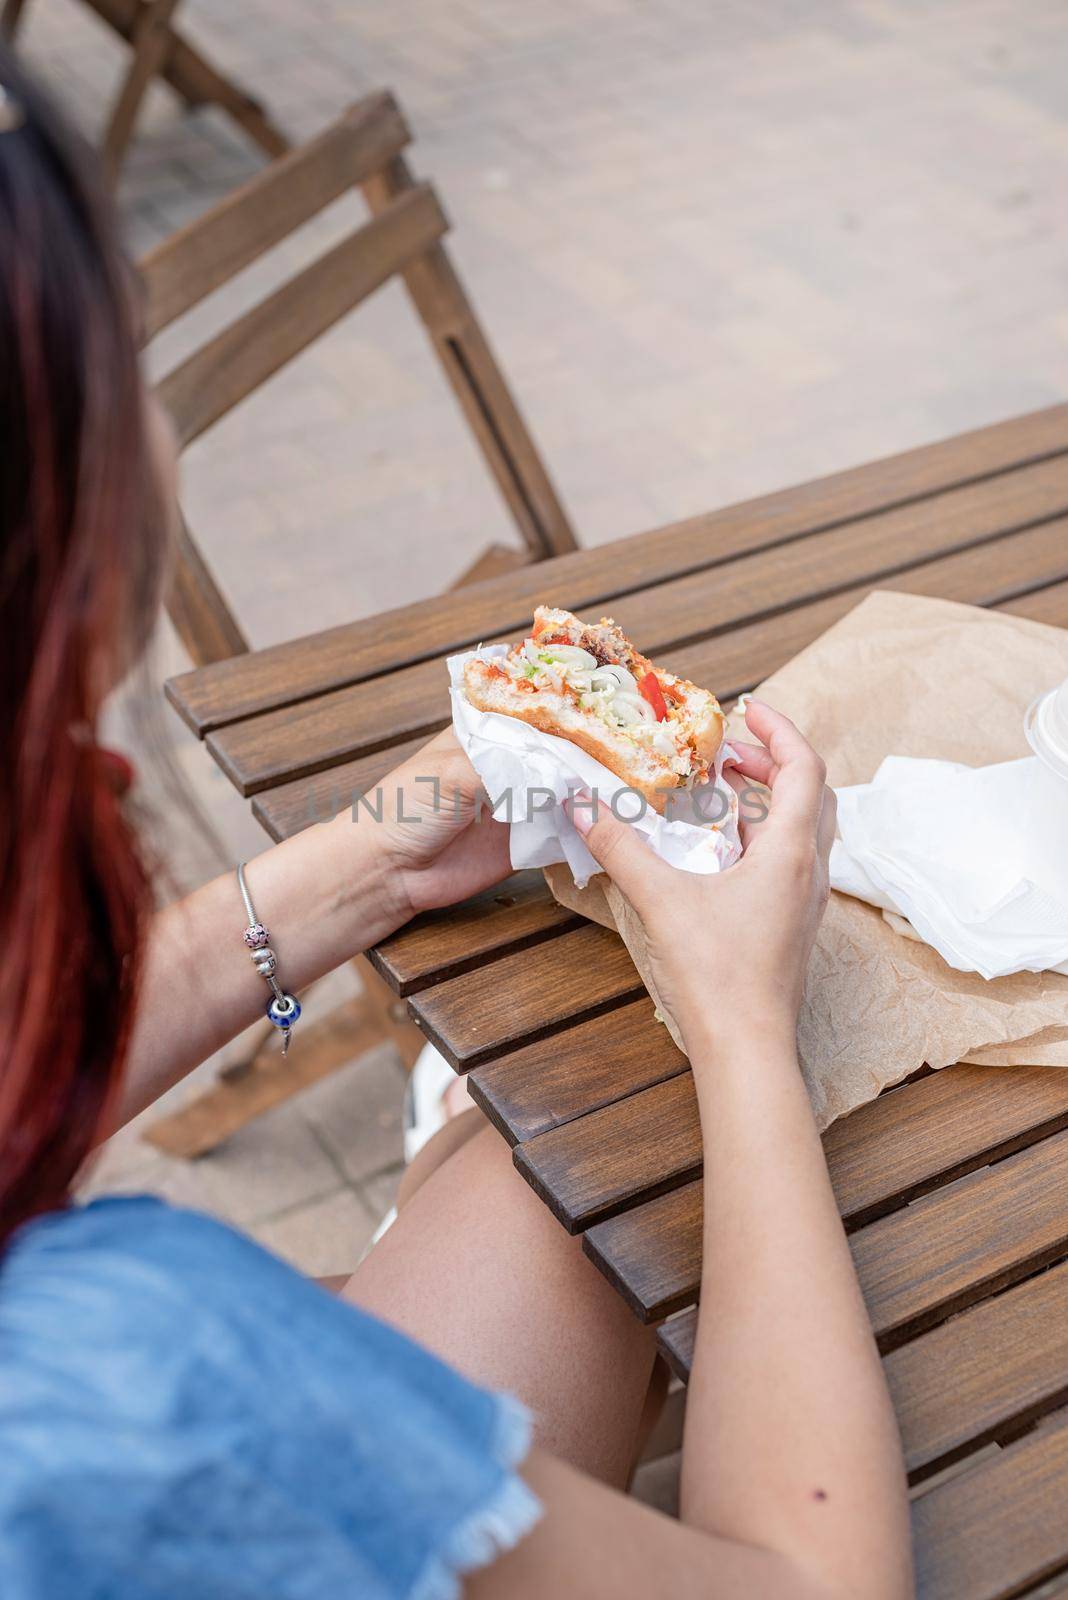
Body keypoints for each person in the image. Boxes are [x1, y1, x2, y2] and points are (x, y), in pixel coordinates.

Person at [0, 50, 913, 1600]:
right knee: (619, 1150)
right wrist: (747, 1030)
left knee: (529, 1158)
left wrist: (374, 856)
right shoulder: (157, 1369)